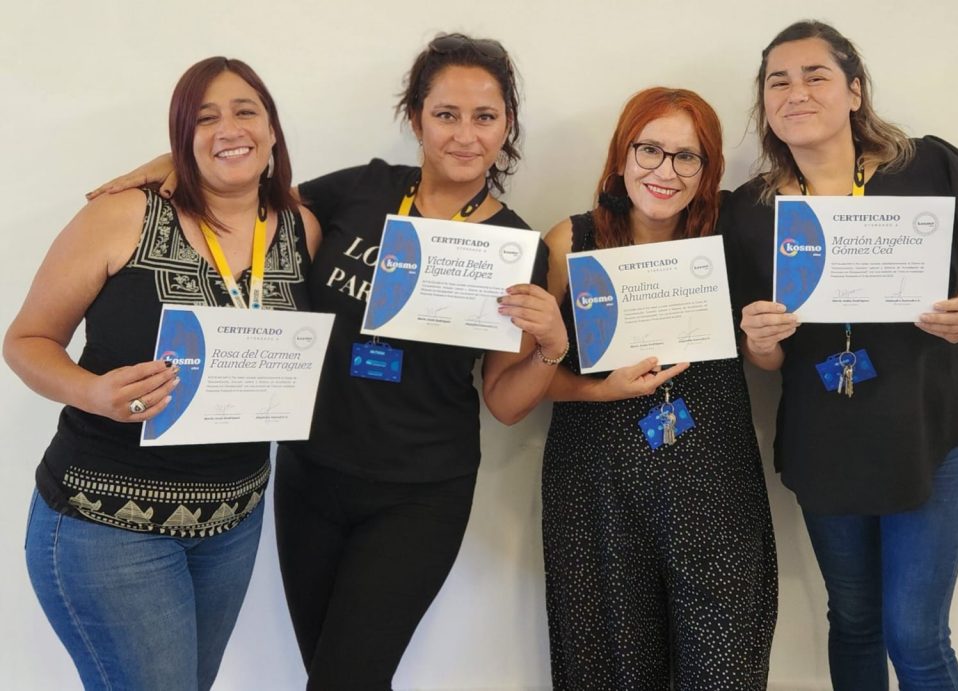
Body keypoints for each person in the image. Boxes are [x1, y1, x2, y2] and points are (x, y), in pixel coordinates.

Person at [91, 33, 566, 690]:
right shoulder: (360, 191)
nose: (465, 134)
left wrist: (551, 345)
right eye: (446, 114)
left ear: (506, 125)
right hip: (310, 477)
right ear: (415, 119)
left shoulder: (516, 247)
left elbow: (505, 401)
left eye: (484, 117)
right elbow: (248, 195)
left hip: (419, 494)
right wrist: (174, 160)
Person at [5, 57, 320, 690]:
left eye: (244, 111)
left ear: (273, 129)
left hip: (232, 522)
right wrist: (91, 392)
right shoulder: (122, 218)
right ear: (180, 138)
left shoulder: (299, 228)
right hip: (107, 525)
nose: (227, 128)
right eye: (203, 118)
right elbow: (26, 341)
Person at [722, 20, 958, 691]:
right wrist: (758, 344)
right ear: (765, 104)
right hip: (827, 440)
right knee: (853, 619)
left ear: (854, 91)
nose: (796, 91)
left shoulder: (932, 166)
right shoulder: (746, 211)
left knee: (916, 634)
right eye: (777, 81)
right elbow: (763, 357)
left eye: (815, 74)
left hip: (930, 427)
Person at [542, 87, 777, 690]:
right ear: (621, 156)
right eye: (650, 150)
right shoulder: (571, 244)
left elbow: (767, 360)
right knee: (606, 670)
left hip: (714, 488)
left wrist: (763, 341)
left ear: (708, 171)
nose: (665, 171)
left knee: (723, 669)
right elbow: (519, 386)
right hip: (598, 489)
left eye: (687, 157)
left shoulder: (729, 242)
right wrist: (600, 390)